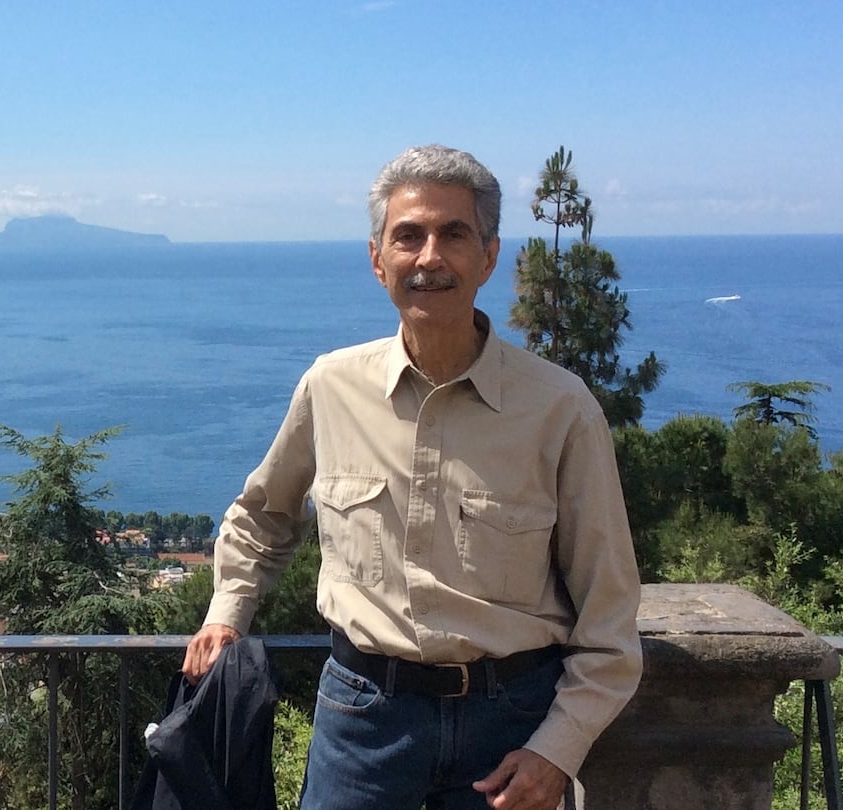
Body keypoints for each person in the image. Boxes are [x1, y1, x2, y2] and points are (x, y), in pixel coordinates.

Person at [182, 144, 642, 810]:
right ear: (378, 261)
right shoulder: (331, 387)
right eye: (409, 237)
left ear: (488, 256)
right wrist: (227, 615)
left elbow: (610, 613)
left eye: (454, 234)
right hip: (363, 720)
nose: (430, 257)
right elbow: (264, 515)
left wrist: (556, 751)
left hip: (511, 727)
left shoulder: (560, 409)